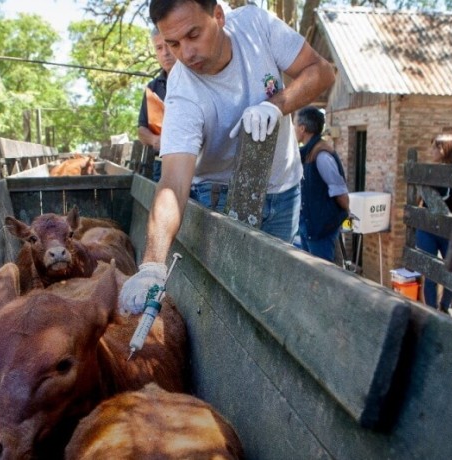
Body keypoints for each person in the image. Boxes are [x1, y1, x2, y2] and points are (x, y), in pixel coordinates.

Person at [120, 0, 335, 313]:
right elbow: (173, 184)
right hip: (219, 197)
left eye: (193, 35)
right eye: (173, 44)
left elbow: (323, 72)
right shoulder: (182, 93)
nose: (186, 54)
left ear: (218, 16)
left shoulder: (257, 27)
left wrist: (276, 105)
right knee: (230, 304)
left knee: (275, 299)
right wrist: (152, 265)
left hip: (285, 188)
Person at [293, 106, 350, 263]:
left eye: (295, 124)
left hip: (321, 229)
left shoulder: (321, 155)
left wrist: (342, 215)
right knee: (312, 273)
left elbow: (340, 193)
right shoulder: (307, 152)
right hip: (309, 227)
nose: (293, 128)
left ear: (302, 128)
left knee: (324, 276)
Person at [416, 134, 452, 312]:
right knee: (430, 272)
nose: (431, 151)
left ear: (444, 150)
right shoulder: (429, 171)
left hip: (448, 229)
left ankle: (444, 306)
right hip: (428, 227)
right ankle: (432, 311)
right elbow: (419, 199)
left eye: (435, 147)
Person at [137, 27, 177, 182]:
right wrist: (156, 141)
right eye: (159, 48)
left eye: (169, 45)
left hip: (196, 166)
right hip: (161, 165)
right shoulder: (152, 88)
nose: (165, 53)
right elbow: (141, 130)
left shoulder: (196, 78)